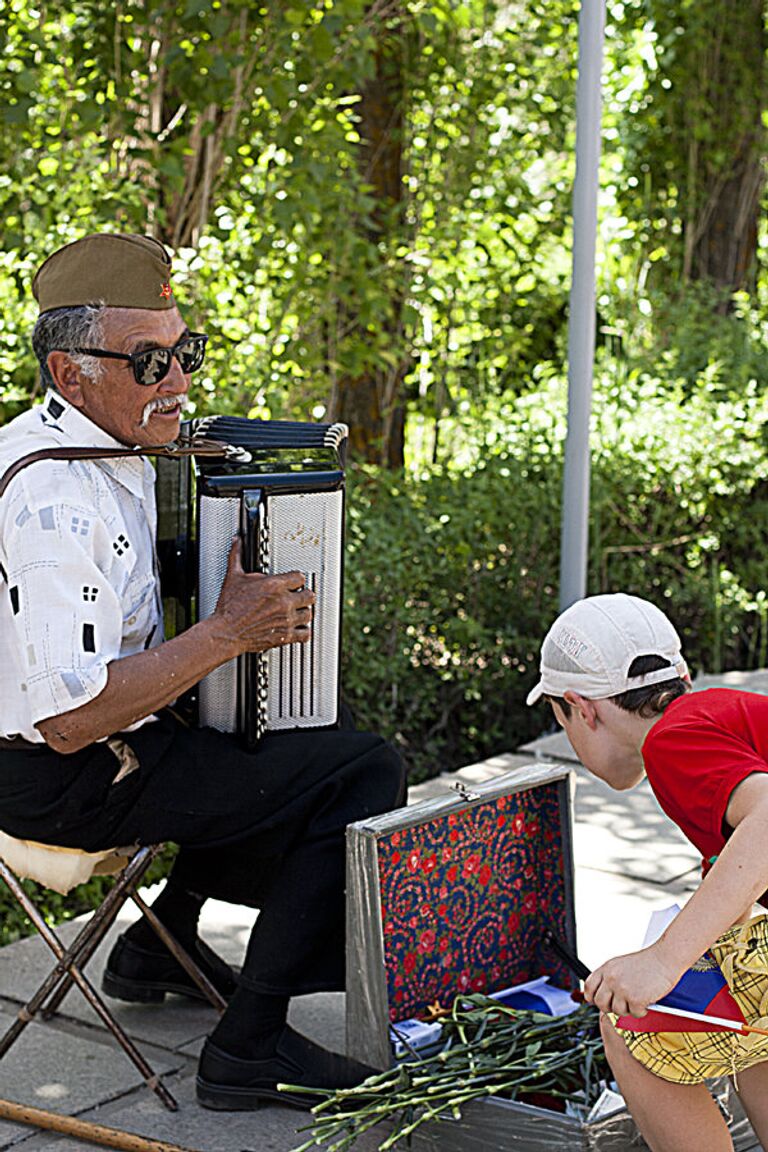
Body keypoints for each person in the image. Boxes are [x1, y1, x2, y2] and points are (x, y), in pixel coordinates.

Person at [0, 232, 406, 1111]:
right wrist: (226, 635)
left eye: (184, 352)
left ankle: (158, 944)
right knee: (364, 772)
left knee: (301, 734)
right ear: (71, 374)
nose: (178, 381)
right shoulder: (51, 502)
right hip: (60, 774)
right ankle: (247, 1046)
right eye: (151, 361)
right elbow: (70, 718)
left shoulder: (94, 443)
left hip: (102, 743)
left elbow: (118, 608)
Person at [527, 593, 768, 1152]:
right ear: (680, 675)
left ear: (579, 708)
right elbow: (740, 867)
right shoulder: (718, 714)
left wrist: (663, 962)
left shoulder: (673, 741)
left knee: (633, 1026)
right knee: (751, 1002)